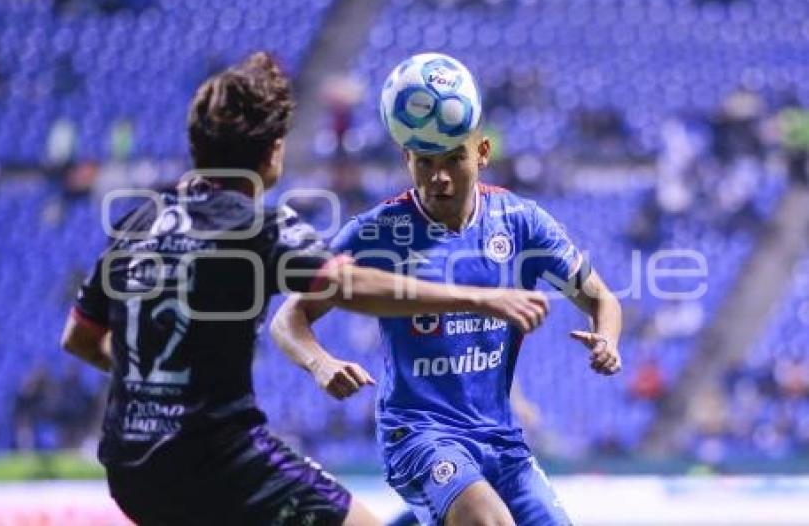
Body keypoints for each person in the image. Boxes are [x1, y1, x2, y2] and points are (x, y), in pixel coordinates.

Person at [59, 52, 551, 526]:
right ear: (274, 152)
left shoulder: (136, 223)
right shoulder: (256, 226)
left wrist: (157, 381)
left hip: (130, 466)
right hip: (218, 458)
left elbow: (79, 339)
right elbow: (344, 282)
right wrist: (480, 297)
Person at [272, 125, 622, 525]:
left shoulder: (520, 222)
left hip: (501, 441)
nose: (439, 177)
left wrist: (607, 338)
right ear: (407, 159)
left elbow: (601, 297)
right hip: (419, 434)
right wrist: (320, 363)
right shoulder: (378, 232)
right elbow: (288, 318)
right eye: (425, 162)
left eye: (454, 159)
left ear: (482, 153)